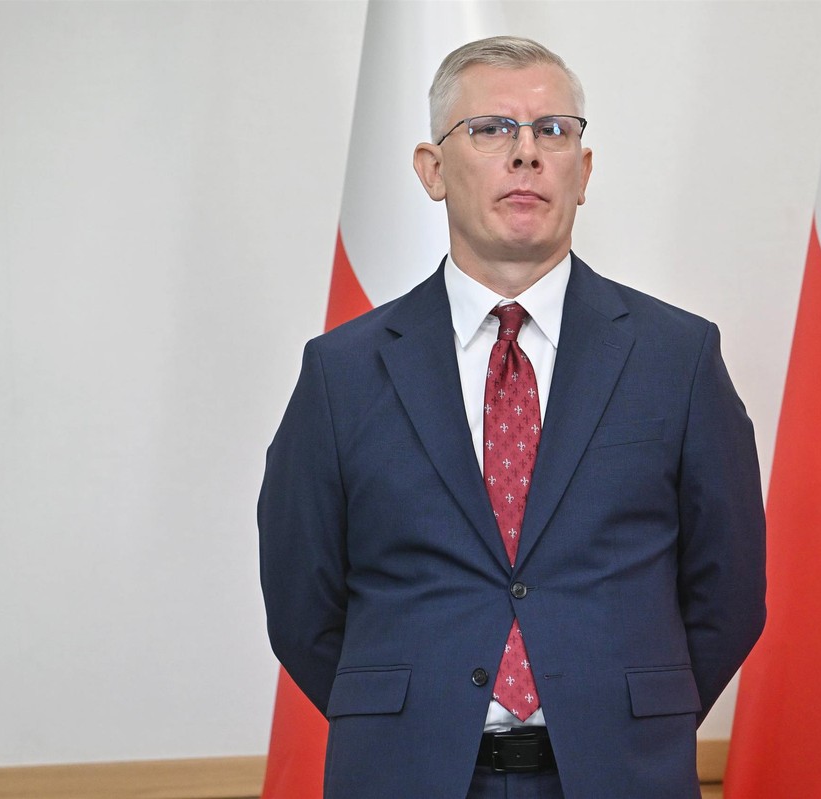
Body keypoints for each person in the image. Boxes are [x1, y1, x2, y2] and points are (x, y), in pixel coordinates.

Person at [260, 36, 766, 799]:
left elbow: (728, 588)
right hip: (408, 775)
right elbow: (303, 600)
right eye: (492, 128)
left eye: (552, 130)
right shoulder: (343, 372)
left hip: (620, 775)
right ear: (432, 170)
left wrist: (629, 715)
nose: (526, 152)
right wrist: (411, 718)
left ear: (582, 172)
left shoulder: (678, 356)